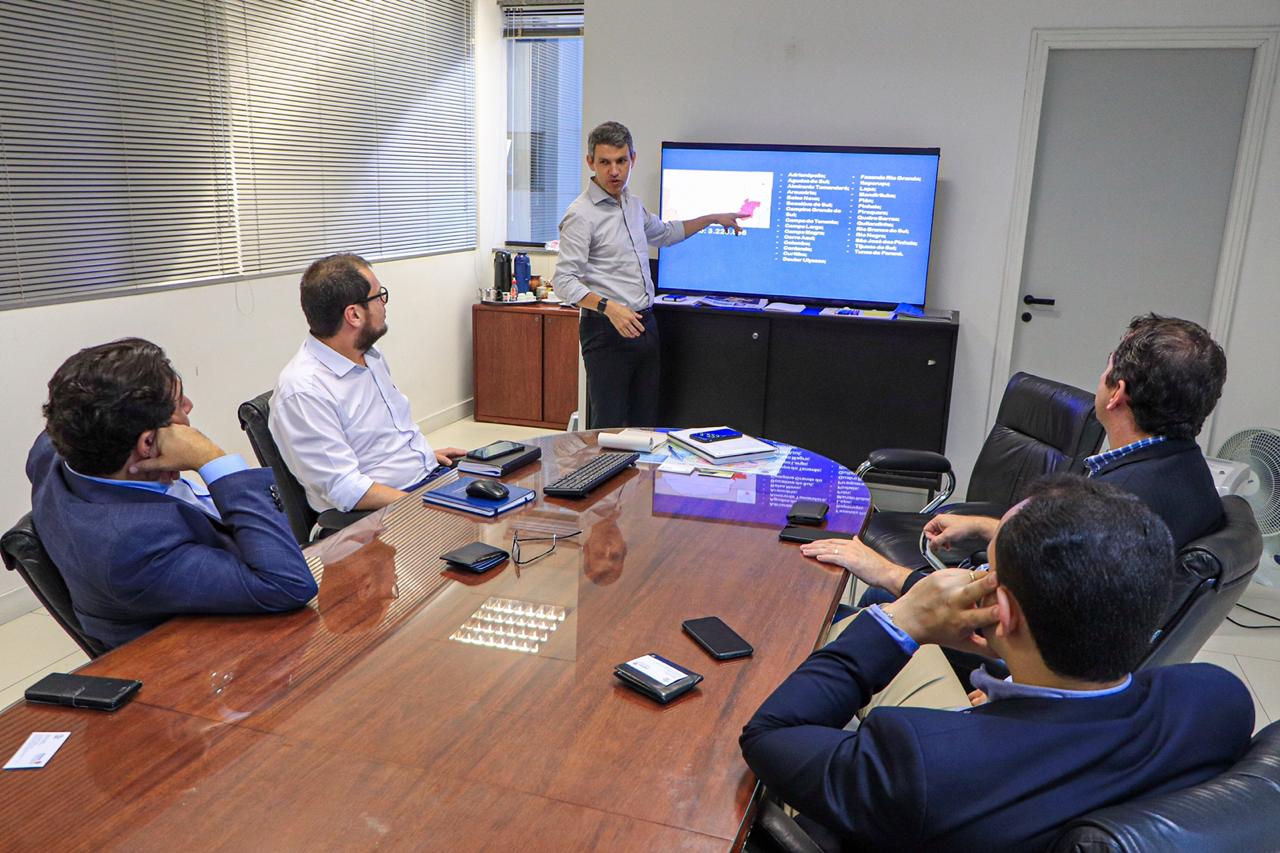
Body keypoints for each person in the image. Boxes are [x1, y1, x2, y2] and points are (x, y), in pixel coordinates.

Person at [741, 476, 1253, 851]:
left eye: (987, 569)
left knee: (852, 627)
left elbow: (770, 733)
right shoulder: (1215, 700)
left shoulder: (920, 761)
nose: (978, 575)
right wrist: (1009, 691)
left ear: (1002, 613)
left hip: (897, 810)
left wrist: (901, 621)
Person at [807, 313, 1227, 600]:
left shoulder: (1111, 508)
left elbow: (1003, 622)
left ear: (1117, 394)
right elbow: (1075, 557)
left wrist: (887, 571)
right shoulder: (1189, 477)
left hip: (1001, 655)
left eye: (1106, 368)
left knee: (868, 599)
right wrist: (992, 529)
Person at [27, 338, 317, 650]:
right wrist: (214, 461)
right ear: (148, 444)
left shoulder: (58, 448)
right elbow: (288, 584)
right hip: (204, 655)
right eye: (179, 403)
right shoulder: (131, 548)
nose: (189, 405)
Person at [553, 120, 748, 428]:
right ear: (591, 162)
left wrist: (711, 218)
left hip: (645, 323)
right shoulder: (581, 215)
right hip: (607, 329)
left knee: (645, 424)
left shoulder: (631, 204)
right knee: (610, 428)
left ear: (633, 159)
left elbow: (666, 234)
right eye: (605, 162)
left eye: (621, 161)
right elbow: (563, 282)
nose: (614, 171)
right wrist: (609, 307)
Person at [270, 253, 466, 514]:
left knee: (515, 489)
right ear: (354, 315)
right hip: (379, 515)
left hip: (423, 479)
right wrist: (424, 504)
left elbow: (382, 439)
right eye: (378, 296)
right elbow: (345, 488)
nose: (384, 303)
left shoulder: (369, 357)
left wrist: (422, 457)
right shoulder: (304, 391)